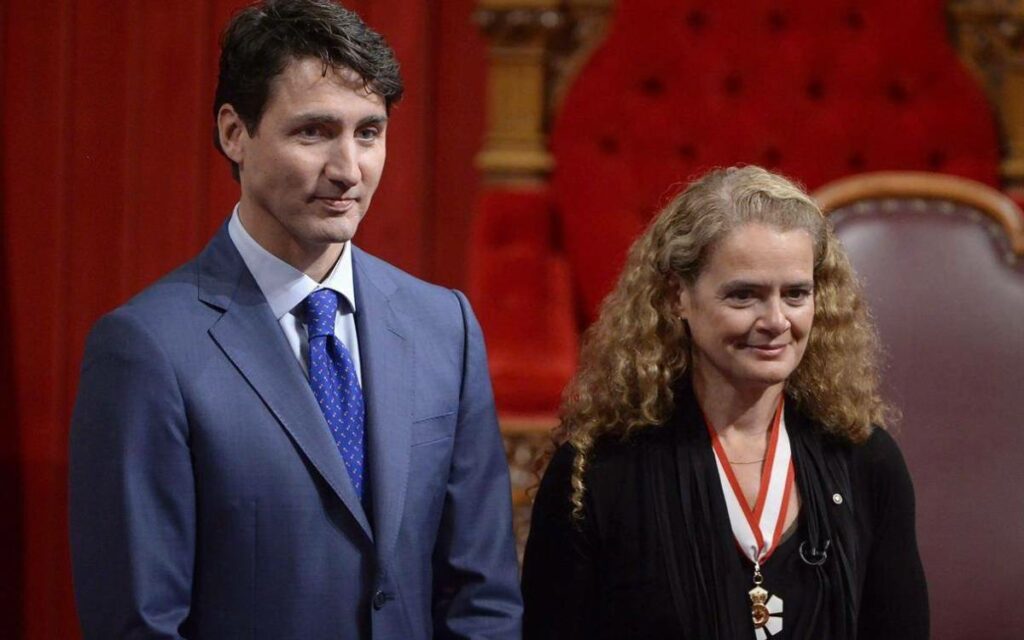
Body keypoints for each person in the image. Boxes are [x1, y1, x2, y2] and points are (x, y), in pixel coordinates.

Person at [68, 1, 522, 638]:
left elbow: (485, 599)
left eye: (369, 132)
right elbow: (140, 623)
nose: (348, 170)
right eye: (313, 132)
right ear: (235, 133)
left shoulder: (445, 325)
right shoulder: (146, 348)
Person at [521, 166, 928, 639]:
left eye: (796, 293)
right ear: (678, 296)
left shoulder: (865, 458)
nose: (776, 320)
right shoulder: (595, 473)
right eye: (744, 296)